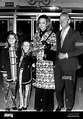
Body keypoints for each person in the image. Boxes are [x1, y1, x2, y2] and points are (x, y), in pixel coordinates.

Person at [55, 12, 83, 112]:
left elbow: (81, 49)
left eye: (64, 19)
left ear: (69, 21)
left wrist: (66, 55)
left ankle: (69, 107)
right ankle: (60, 104)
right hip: (58, 66)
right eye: (60, 19)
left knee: (69, 87)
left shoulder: (76, 34)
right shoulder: (57, 34)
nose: (61, 21)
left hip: (69, 67)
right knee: (58, 87)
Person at [32, 14, 57, 112]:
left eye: (44, 23)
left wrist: (48, 46)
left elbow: (55, 49)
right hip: (38, 63)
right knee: (39, 85)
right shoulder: (36, 35)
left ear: (47, 23)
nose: (41, 25)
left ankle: (47, 108)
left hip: (47, 64)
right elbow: (33, 49)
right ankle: (39, 106)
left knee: (47, 86)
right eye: (40, 23)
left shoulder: (52, 34)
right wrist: (33, 57)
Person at [0, 31, 21, 111]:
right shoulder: (4, 49)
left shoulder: (18, 49)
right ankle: (6, 106)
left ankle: (12, 104)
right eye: (9, 38)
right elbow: (2, 61)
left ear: (16, 39)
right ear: (7, 39)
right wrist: (4, 72)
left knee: (13, 89)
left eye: (13, 38)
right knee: (6, 89)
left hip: (15, 72)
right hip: (7, 72)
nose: (11, 40)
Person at [18, 41, 34, 110]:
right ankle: (21, 104)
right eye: (24, 45)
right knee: (20, 90)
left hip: (27, 73)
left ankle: (25, 104)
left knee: (27, 90)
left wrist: (33, 64)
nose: (25, 47)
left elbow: (33, 63)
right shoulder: (19, 54)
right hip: (20, 73)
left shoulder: (31, 55)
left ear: (30, 47)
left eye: (27, 45)